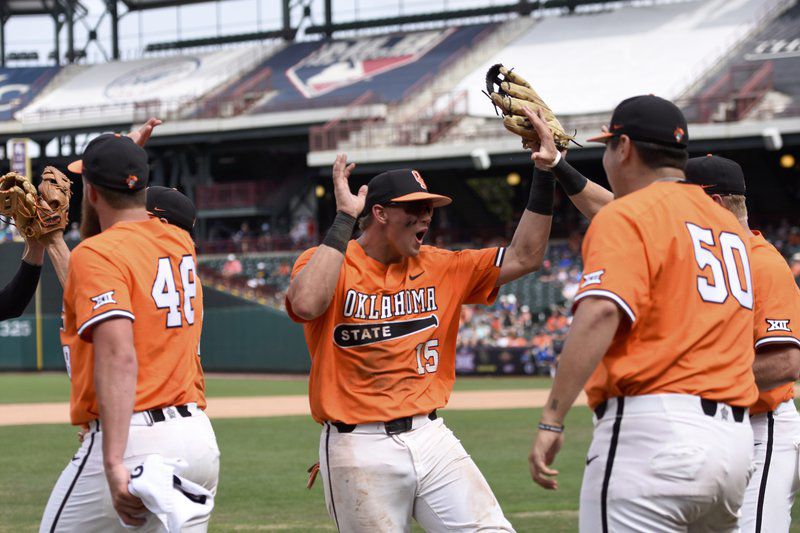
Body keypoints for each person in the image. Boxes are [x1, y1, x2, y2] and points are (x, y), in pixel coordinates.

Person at [286, 143, 556, 531]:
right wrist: (345, 216)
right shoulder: (329, 260)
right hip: (357, 445)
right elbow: (307, 304)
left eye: (428, 208)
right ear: (379, 213)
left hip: (431, 435)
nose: (425, 217)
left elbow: (526, 256)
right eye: (413, 208)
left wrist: (545, 174)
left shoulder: (443, 265)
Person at [528, 95, 758, 531]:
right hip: (734, 446)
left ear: (625, 147)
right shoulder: (729, 226)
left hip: (654, 436)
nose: (607, 155)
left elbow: (598, 314)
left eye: (608, 146)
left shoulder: (629, 215)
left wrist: (552, 419)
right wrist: (557, 163)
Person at [40, 133, 218, 532]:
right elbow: (130, 240)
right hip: (196, 438)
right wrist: (124, 159)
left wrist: (113, 461)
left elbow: (119, 355)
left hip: (136, 441)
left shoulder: (97, 253)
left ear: (90, 191)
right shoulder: (179, 241)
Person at [685, 155, 800, 533]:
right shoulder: (706, 258)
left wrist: (696, 382)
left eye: (687, 200)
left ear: (715, 204)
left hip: (761, 431)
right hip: (715, 431)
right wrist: (557, 167)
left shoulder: (761, 263)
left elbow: (784, 364)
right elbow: (623, 215)